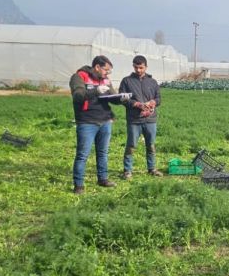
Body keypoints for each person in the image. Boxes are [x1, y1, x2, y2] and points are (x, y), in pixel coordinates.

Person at [70, 55, 130, 194]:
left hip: (105, 120)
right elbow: (78, 96)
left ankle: (102, 178)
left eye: (109, 71)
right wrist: (95, 91)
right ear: (97, 67)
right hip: (87, 121)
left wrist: (121, 98)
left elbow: (112, 97)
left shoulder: (105, 80)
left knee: (103, 152)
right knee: (82, 155)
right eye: (106, 70)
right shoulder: (80, 76)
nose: (107, 73)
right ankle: (78, 185)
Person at [119, 55, 163, 179]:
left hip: (150, 119)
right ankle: (127, 170)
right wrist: (136, 104)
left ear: (146, 67)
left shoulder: (152, 82)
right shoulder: (126, 81)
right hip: (134, 119)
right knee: (131, 145)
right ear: (133, 66)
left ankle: (152, 168)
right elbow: (122, 98)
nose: (138, 70)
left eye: (141, 67)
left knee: (151, 145)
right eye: (136, 67)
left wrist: (153, 103)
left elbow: (159, 98)